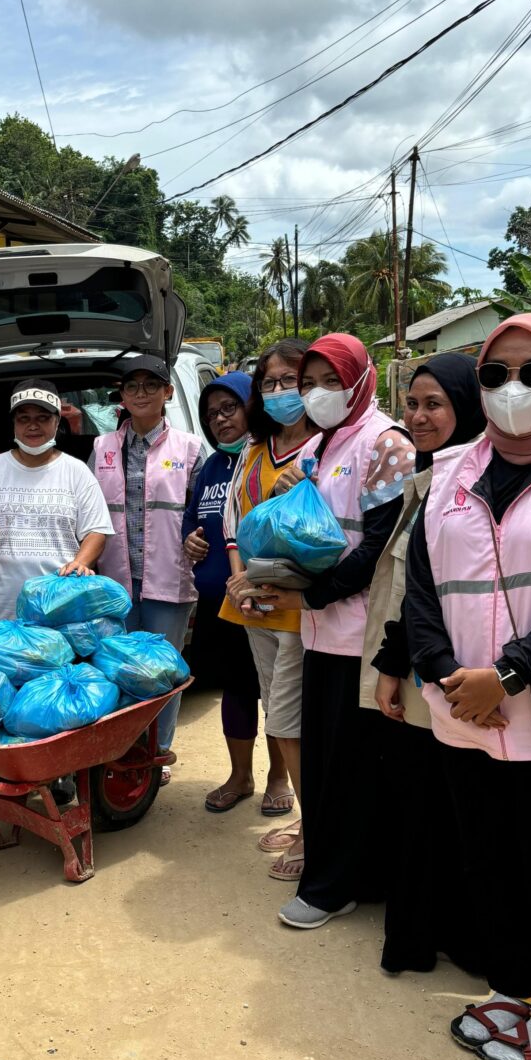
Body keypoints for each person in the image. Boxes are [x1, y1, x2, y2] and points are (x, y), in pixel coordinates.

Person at [406, 312, 531, 1060]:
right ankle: (511, 988)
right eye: (495, 374)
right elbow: (420, 588)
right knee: (487, 860)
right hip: (463, 715)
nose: (512, 389)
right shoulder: (452, 472)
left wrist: (508, 675)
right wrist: (445, 674)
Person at [253, 334, 412, 930]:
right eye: (308, 382)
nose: (316, 394)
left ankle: (332, 886)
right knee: (327, 763)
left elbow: (378, 547)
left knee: (349, 768)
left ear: (361, 379)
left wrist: (309, 593)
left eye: (329, 380)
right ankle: (344, 874)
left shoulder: (384, 443)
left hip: (360, 634)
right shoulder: (327, 443)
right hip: (323, 629)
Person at [363, 354, 485, 975]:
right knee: (418, 804)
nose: (418, 416)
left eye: (434, 404)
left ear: (468, 405)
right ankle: (421, 932)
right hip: (416, 670)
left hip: (468, 676)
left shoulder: (475, 482)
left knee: (458, 810)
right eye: (412, 404)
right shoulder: (427, 478)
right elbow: (413, 588)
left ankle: (462, 936)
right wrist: (393, 661)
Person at [218, 339, 316, 881]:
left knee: (289, 720)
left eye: (292, 381)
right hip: (254, 606)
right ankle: (309, 822)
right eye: (270, 383)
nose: (280, 393)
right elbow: (234, 520)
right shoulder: (257, 451)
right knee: (282, 720)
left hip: (304, 610)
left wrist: (310, 486)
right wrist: (237, 576)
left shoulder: (326, 451)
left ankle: (316, 829)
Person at [90, 356, 206, 771]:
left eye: (150, 385)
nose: (141, 393)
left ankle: (158, 755)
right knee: (119, 670)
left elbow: (205, 510)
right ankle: (124, 752)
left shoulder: (190, 448)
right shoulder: (101, 448)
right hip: (117, 583)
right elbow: (89, 513)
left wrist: (199, 540)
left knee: (162, 674)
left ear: (168, 393)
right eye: (132, 386)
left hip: (168, 579)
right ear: (121, 395)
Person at [180, 372, 270, 811]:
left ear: (251, 405)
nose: (219, 419)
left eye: (229, 408)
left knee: (277, 694)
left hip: (268, 600)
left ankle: (280, 781)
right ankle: (240, 777)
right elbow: (193, 520)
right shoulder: (212, 466)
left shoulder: (269, 455)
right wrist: (191, 541)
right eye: (211, 413)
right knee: (236, 689)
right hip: (221, 603)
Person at [0, 380, 114, 622]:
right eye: (23, 418)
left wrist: (79, 563)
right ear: (13, 424)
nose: (32, 426)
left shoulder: (77, 472)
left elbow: (96, 531)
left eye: (42, 417)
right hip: (2, 613)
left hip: (60, 610)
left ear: (57, 421)